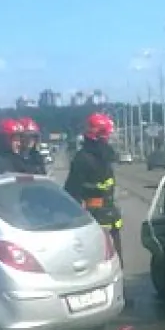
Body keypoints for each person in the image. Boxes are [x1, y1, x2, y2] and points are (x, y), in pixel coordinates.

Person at [64, 113, 124, 268]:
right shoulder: (84, 159)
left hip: (108, 216)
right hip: (93, 219)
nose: (109, 139)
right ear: (98, 136)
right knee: (101, 265)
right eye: (106, 135)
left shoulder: (102, 157)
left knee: (114, 263)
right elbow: (72, 192)